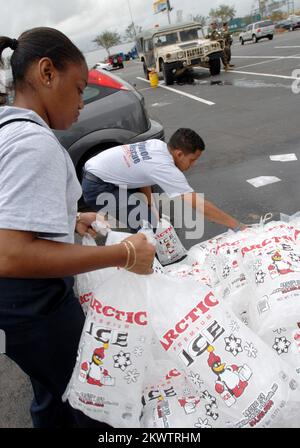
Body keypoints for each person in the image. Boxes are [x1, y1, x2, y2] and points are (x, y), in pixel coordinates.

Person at [0, 27, 155, 428]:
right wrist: (125, 254)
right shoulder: (35, 143)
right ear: (47, 73)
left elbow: (10, 211)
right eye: (79, 87)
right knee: (95, 402)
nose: (82, 102)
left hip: (15, 315)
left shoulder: (8, 130)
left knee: (51, 396)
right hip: (34, 306)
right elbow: (10, 253)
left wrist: (69, 218)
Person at [82, 128, 245, 233]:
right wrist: (236, 225)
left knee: (146, 218)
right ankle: (147, 270)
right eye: (192, 160)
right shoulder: (165, 167)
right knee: (147, 225)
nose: (193, 165)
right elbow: (197, 203)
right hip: (98, 187)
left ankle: (146, 258)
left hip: (98, 172)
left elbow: (143, 177)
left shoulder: (157, 145)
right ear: (179, 154)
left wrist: (151, 206)